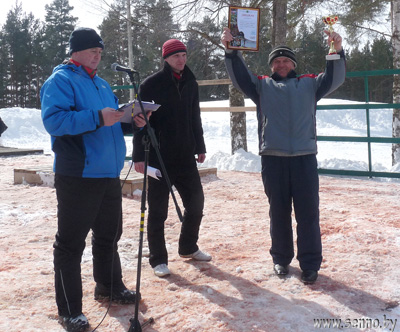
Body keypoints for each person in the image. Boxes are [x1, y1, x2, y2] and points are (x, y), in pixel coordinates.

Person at [40, 27, 147, 332]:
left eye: (100, 51)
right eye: (92, 51)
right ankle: (70, 310)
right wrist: (99, 117)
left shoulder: (101, 84)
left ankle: (109, 286)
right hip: (78, 174)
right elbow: (55, 122)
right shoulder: (60, 81)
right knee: (70, 245)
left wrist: (131, 122)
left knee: (108, 237)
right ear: (75, 52)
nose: (97, 56)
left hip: (108, 173)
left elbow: (109, 124)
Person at [221, 28, 346, 284]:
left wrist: (335, 50)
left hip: (304, 157)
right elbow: (240, 78)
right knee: (278, 212)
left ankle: (310, 264)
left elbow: (334, 78)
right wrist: (231, 51)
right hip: (273, 158)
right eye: (276, 61)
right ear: (271, 66)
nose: (281, 64)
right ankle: (281, 259)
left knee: (308, 214)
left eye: (285, 60)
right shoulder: (262, 85)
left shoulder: (310, 83)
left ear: (293, 65)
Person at [132, 39, 211, 278]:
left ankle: (188, 246)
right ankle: (158, 259)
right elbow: (139, 122)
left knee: (196, 203)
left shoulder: (191, 82)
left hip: (185, 154)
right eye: (177, 56)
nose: (182, 59)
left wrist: (200, 145)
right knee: (158, 211)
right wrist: (138, 156)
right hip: (158, 156)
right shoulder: (150, 84)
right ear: (166, 58)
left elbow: (194, 116)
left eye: (184, 55)